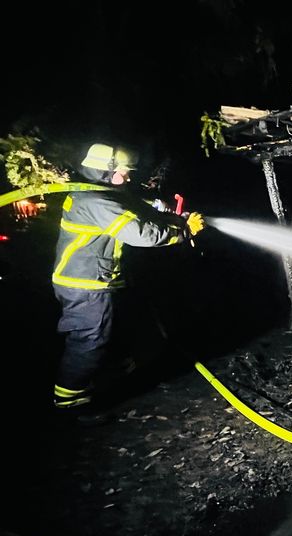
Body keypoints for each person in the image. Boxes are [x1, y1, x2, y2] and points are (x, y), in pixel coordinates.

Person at [52, 143, 204, 419]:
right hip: (86, 284)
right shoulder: (96, 202)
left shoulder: (98, 194)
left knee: (112, 332)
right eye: (124, 172)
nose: (129, 177)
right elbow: (142, 234)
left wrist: (174, 217)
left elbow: (138, 209)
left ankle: (110, 377)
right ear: (105, 171)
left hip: (94, 278)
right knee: (90, 338)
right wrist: (181, 233)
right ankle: (69, 402)